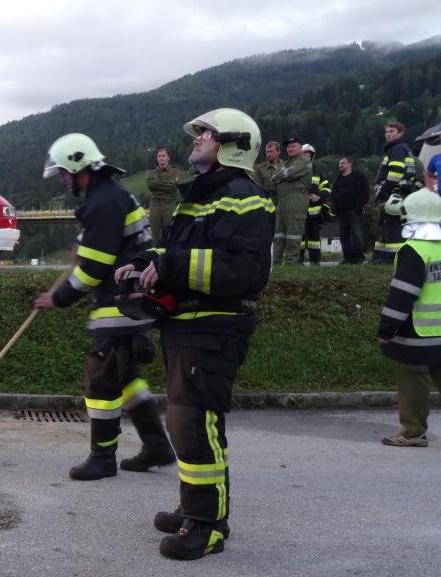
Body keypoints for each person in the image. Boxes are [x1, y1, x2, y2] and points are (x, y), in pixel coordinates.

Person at [115, 108, 274, 560]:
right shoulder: (204, 196)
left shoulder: (245, 197)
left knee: (194, 424)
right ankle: (194, 507)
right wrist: (147, 259)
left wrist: (166, 266)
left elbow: (242, 269)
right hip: (189, 326)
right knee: (189, 424)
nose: (197, 138)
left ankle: (207, 526)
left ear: (231, 144)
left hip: (214, 326)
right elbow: (184, 252)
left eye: (206, 133)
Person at [33, 133, 174, 481]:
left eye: (64, 173)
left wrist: (58, 297)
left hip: (118, 303)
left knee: (101, 380)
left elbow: (94, 269)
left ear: (80, 166)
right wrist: (82, 244)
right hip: (127, 300)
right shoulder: (108, 194)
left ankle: (102, 458)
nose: (63, 180)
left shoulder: (104, 201)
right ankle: (156, 446)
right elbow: (99, 240)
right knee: (126, 378)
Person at [376, 188, 441, 447]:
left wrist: (386, 328)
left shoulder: (413, 250)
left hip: (418, 331)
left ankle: (413, 432)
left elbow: (402, 295)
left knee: (412, 376)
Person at [372, 122, 418, 264]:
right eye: (386, 132)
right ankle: (380, 257)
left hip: (392, 194)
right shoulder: (404, 148)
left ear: (400, 133)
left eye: (392, 131)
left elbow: (395, 173)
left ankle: (390, 259)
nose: (388, 134)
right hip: (400, 193)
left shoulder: (397, 149)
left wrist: (382, 189)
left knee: (390, 227)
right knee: (387, 226)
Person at [271, 137, 311, 265]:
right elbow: (274, 178)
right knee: (278, 233)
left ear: (300, 148)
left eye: (293, 146)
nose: (290, 148)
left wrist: (281, 175)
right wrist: (282, 175)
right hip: (282, 201)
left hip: (296, 200)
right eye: (288, 147)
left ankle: (291, 263)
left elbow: (289, 174)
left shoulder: (303, 161)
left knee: (293, 233)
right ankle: (275, 262)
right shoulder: (286, 162)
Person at [333, 157, 371, 264]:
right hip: (341, 211)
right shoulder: (338, 179)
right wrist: (334, 207)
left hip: (354, 211)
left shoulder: (358, 177)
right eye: (339, 163)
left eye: (342, 163)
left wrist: (360, 205)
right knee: (343, 235)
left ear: (349, 164)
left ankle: (359, 258)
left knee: (357, 234)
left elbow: (366, 192)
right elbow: (334, 194)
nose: (340, 165)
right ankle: (347, 258)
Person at [299, 144, 331, 265]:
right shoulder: (296, 170)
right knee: (299, 239)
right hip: (300, 211)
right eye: (304, 155)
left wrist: (319, 196)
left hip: (315, 213)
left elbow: (327, 189)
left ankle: (315, 261)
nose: (307, 157)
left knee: (314, 239)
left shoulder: (317, 172)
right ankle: (298, 261)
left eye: (309, 155)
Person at [146, 147, 182, 247]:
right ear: (157, 158)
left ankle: (168, 257)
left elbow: (173, 186)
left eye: (163, 156)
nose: (161, 158)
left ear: (168, 158)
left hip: (169, 205)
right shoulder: (151, 173)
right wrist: (167, 184)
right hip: (155, 206)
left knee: (169, 233)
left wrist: (158, 185)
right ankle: (154, 258)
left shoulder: (175, 171)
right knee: (154, 235)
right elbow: (150, 186)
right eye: (159, 156)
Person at [254, 141, 282, 205]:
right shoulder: (261, 168)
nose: (269, 154)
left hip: (284, 201)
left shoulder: (285, 166)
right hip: (269, 202)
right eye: (267, 152)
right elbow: (257, 188)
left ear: (278, 152)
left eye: (271, 151)